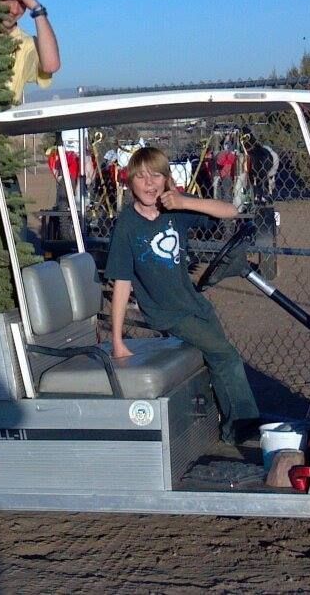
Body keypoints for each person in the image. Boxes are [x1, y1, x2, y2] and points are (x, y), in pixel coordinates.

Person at [105, 146, 261, 445]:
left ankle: (222, 426)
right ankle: (244, 432)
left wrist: (185, 201)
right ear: (129, 182)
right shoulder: (127, 225)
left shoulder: (175, 213)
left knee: (218, 358)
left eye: (156, 176)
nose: (149, 184)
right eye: (141, 177)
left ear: (167, 180)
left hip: (194, 304)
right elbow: (122, 282)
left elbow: (231, 211)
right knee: (226, 356)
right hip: (167, 312)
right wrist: (117, 341)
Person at [0, 0, 60, 103]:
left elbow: (51, 65)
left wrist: (38, 10)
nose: (15, 9)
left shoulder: (25, 45)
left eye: (23, 1)